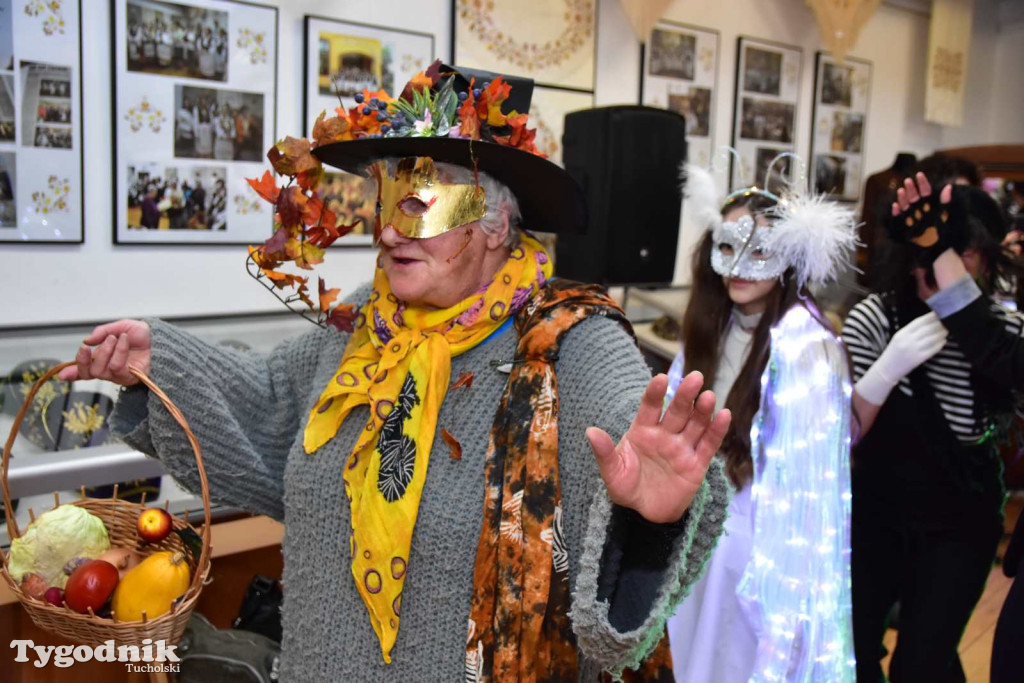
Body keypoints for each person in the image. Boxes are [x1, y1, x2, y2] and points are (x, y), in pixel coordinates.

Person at [59, 64, 732, 681]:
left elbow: (627, 451)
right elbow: (269, 407)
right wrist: (159, 359)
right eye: (385, 202)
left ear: (496, 224)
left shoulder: (572, 344)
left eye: (419, 204)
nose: (386, 231)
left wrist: (648, 513)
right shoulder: (362, 322)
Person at [666, 161, 858, 682]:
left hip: (760, 550)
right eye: (728, 246)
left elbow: (806, 488)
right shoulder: (708, 326)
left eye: (760, 252)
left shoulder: (807, 346)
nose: (739, 266)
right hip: (695, 530)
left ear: (789, 257)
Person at [843, 172, 1024, 682]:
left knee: (924, 662)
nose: (949, 267)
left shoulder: (1004, 334)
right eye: (940, 251)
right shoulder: (875, 319)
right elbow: (842, 437)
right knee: (853, 651)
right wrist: (886, 372)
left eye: (965, 254)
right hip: (874, 515)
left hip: (960, 524)